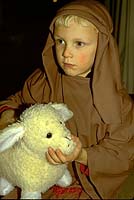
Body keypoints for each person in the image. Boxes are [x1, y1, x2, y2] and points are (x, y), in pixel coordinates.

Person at [0, 0, 134, 199]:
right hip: (38, 170)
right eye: (60, 41)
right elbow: (15, 101)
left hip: (85, 180)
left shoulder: (119, 104)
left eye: (79, 44)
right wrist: (10, 117)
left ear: (102, 46)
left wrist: (81, 155)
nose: (66, 53)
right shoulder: (43, 81)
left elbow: (121, 155)